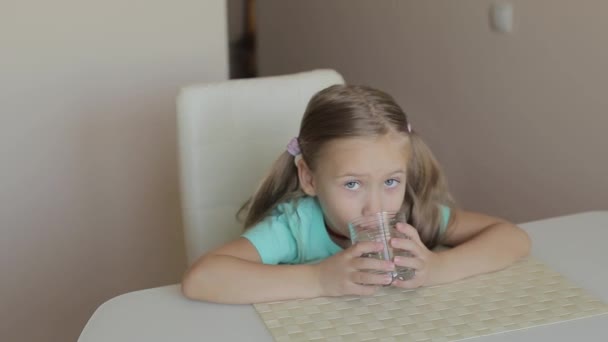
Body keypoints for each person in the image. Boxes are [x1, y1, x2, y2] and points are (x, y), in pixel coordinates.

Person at [181, 84, 531, 304]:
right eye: (352, 184)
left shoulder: (413, 214)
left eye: (391, 181)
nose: (376, 206)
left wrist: (440, 268)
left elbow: (513, 238)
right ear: (309, 178)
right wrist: (318, 279)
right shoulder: (295, 228)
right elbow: (203, 279)